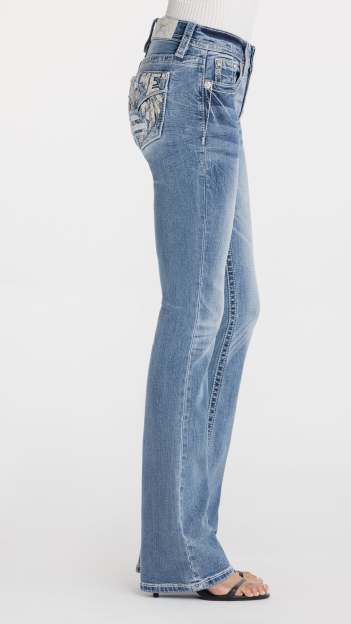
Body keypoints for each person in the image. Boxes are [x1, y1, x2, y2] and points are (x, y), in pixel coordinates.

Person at [128, 0, 269, 601]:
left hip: (210, 72)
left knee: (236, 307)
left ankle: (186, 535)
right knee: (195, 314)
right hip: (198, 72)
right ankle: (181, 554)